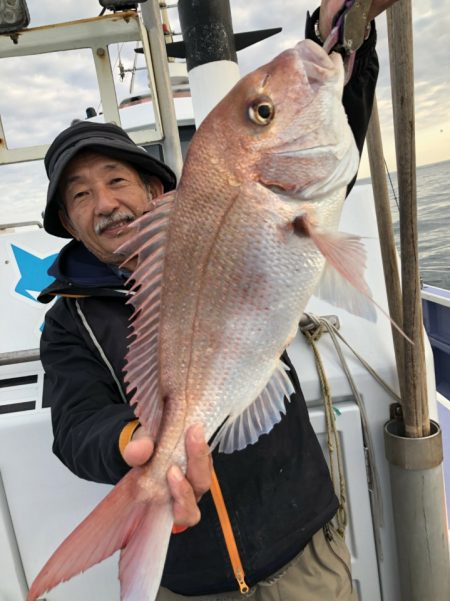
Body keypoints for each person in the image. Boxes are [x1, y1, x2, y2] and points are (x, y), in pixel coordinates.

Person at [38, 2, 399, 599]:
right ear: (69, 223)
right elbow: (75, 425)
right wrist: (143, 445)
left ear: (155, 188)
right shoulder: (68, 322)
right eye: (79, 195)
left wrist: (336, 36)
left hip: (299, 546)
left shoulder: (258, 208)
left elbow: (331, 141)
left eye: (115, 179)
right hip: (193, 578)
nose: (103, 202)